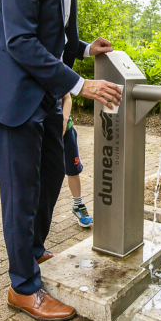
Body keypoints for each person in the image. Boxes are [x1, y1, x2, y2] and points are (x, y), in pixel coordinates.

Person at [0, 0, 122, 321]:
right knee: (21, 194)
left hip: (43, 97)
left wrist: (82, 46)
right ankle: (22, 287)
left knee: (52, 175)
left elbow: (54, 36)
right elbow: (19, 39)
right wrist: (81, 85)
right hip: (15, 97)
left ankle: (35, 251)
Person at [62, 93, 93, 227]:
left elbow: (67, 97)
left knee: (73, 170)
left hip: (66, 132)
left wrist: (64, 119)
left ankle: (78, 205)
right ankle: (39, 210)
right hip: (42, 132)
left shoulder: (57, 72)